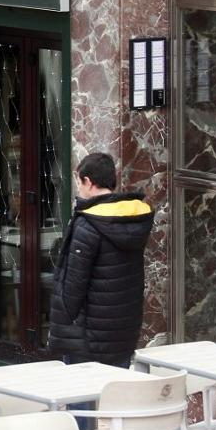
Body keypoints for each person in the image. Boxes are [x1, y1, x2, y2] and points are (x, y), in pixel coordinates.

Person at [48, 152, 154, 367]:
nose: (78, 189)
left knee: (81, 388)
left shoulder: (88, 224)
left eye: (79, 183)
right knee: (116, 387)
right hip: (123, 333)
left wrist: (63, 328)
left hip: (88, 338)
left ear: (88, 182)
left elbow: (72, 288)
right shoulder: (133, 218)